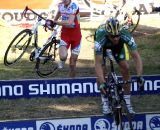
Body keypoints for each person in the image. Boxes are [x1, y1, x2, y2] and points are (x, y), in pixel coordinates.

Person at [94, 17, 145, 115]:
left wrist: (139, 76)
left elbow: (136, 56)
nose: (116, 38)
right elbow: (97, 64)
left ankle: (128, 102)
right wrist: (103, 82)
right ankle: (104, 101)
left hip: (118, 48)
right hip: (103, 47)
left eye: (117, 35)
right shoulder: (100, 36)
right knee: (102, 70)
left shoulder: (125, 33)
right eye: (113, 36)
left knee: (125, 67)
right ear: (108, 34)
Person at [46, 0, 82, 77]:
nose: (65, 0)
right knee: (63, 56)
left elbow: (69, 22)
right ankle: (62, 60)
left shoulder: (74, 5)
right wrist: (54, 22)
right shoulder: (61, 5)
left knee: (72, 63)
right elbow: (59, 13)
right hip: (65, 35)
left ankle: (71, 81)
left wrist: (56, 22)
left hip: (76, 37)